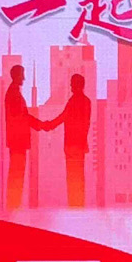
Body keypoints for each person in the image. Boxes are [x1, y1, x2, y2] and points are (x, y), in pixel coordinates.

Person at [39, 73, 92, 207]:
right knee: (79, 176)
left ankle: (74, 205)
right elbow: (86, 123)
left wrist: (48, 125)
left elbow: (62, 118)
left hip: (71, 145)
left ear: (77, 85)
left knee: (72, 177)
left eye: (72, 83)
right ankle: (78, 205)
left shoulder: (73, 101)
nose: (70, 86)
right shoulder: (86, 102)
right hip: (79, 145)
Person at [3, 64, 39, 209]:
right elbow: (21, 117)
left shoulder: (14, 92)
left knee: (17, 173)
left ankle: (14, 205)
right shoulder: (14, 93)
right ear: (16, 75)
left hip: (17, 140)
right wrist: (40, 124)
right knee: (17, 174)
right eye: (22, 75)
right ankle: (13, 206)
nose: (24, 78)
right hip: (17, 140)